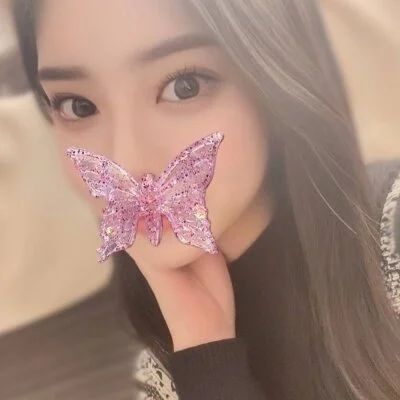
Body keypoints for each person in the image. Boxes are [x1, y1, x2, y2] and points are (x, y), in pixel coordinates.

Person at [11, 0, 400, 399]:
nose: (127, 160)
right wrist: (206, 350)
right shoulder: (162, 378)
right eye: (79, 106)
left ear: (275, 73)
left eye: (185, 87)